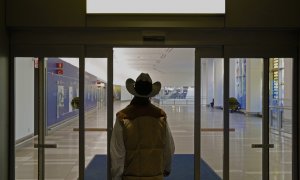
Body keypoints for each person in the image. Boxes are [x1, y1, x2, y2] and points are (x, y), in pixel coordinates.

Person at [110, 73, 175, 180]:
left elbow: (117, 152)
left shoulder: (123, 117)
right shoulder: (161, 116)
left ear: (134, 93)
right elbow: (169, 147)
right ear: (150, 94)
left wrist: (116, 176)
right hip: (156, 176)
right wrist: (166, 168)